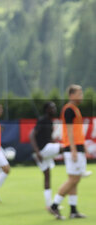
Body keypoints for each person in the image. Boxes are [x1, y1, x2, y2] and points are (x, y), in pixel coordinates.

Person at [49, 85, 86, 220]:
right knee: (74, 179)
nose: (81, 96)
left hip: (76, 146)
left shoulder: (74, 109)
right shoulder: (69, 109)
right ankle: (54, 205)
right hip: (72, 148)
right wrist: (74, 149)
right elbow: (69, 131)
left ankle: (73, 210)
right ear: (71, 95)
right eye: (79, 93)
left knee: (75, 180)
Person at [30, 102, 63, 209]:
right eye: (52, 108)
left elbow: (47, 138)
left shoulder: (50, 122)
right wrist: (37, 151)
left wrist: (54, 141)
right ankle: (78, 168)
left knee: (47, 175)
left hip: (43, 150)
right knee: (65, 147)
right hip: (42, 150)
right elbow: (32, 135)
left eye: (55, 107)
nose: (54, 109)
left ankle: (49, 204)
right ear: (47, 110)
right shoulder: (43, 120)